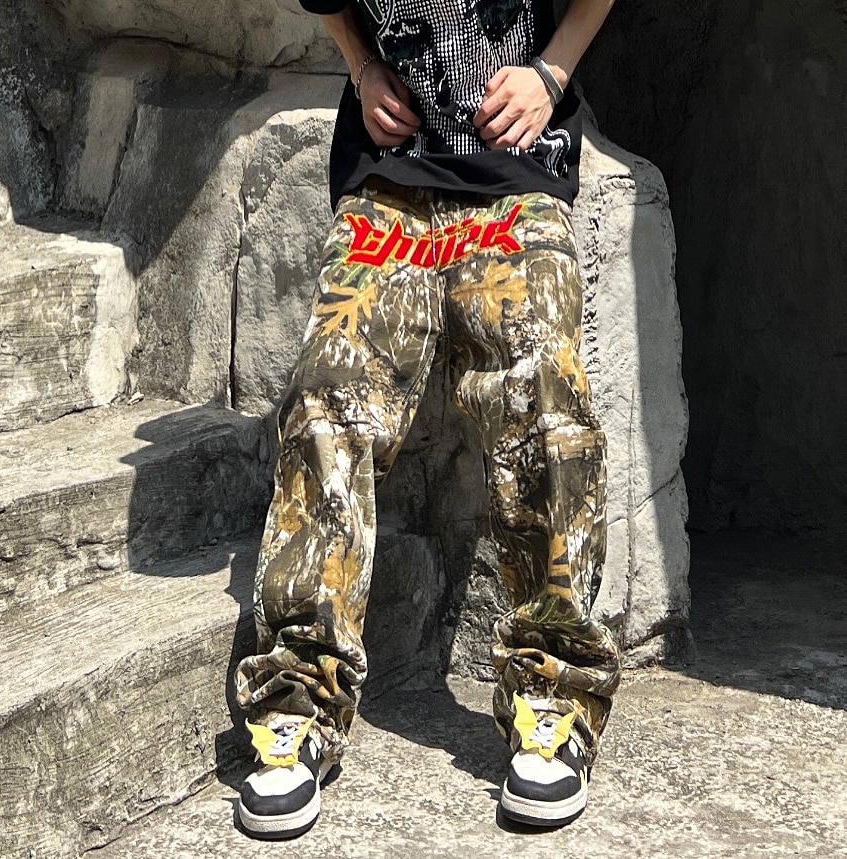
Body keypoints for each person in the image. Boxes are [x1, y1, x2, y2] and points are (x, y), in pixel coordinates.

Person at [234, 0, 621, 839]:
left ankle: (554, 692)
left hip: (515, 177)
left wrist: (552, 72)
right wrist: (360, 65)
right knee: (325, 394)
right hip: (389, 189)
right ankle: (297, 699)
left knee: (542, 393)